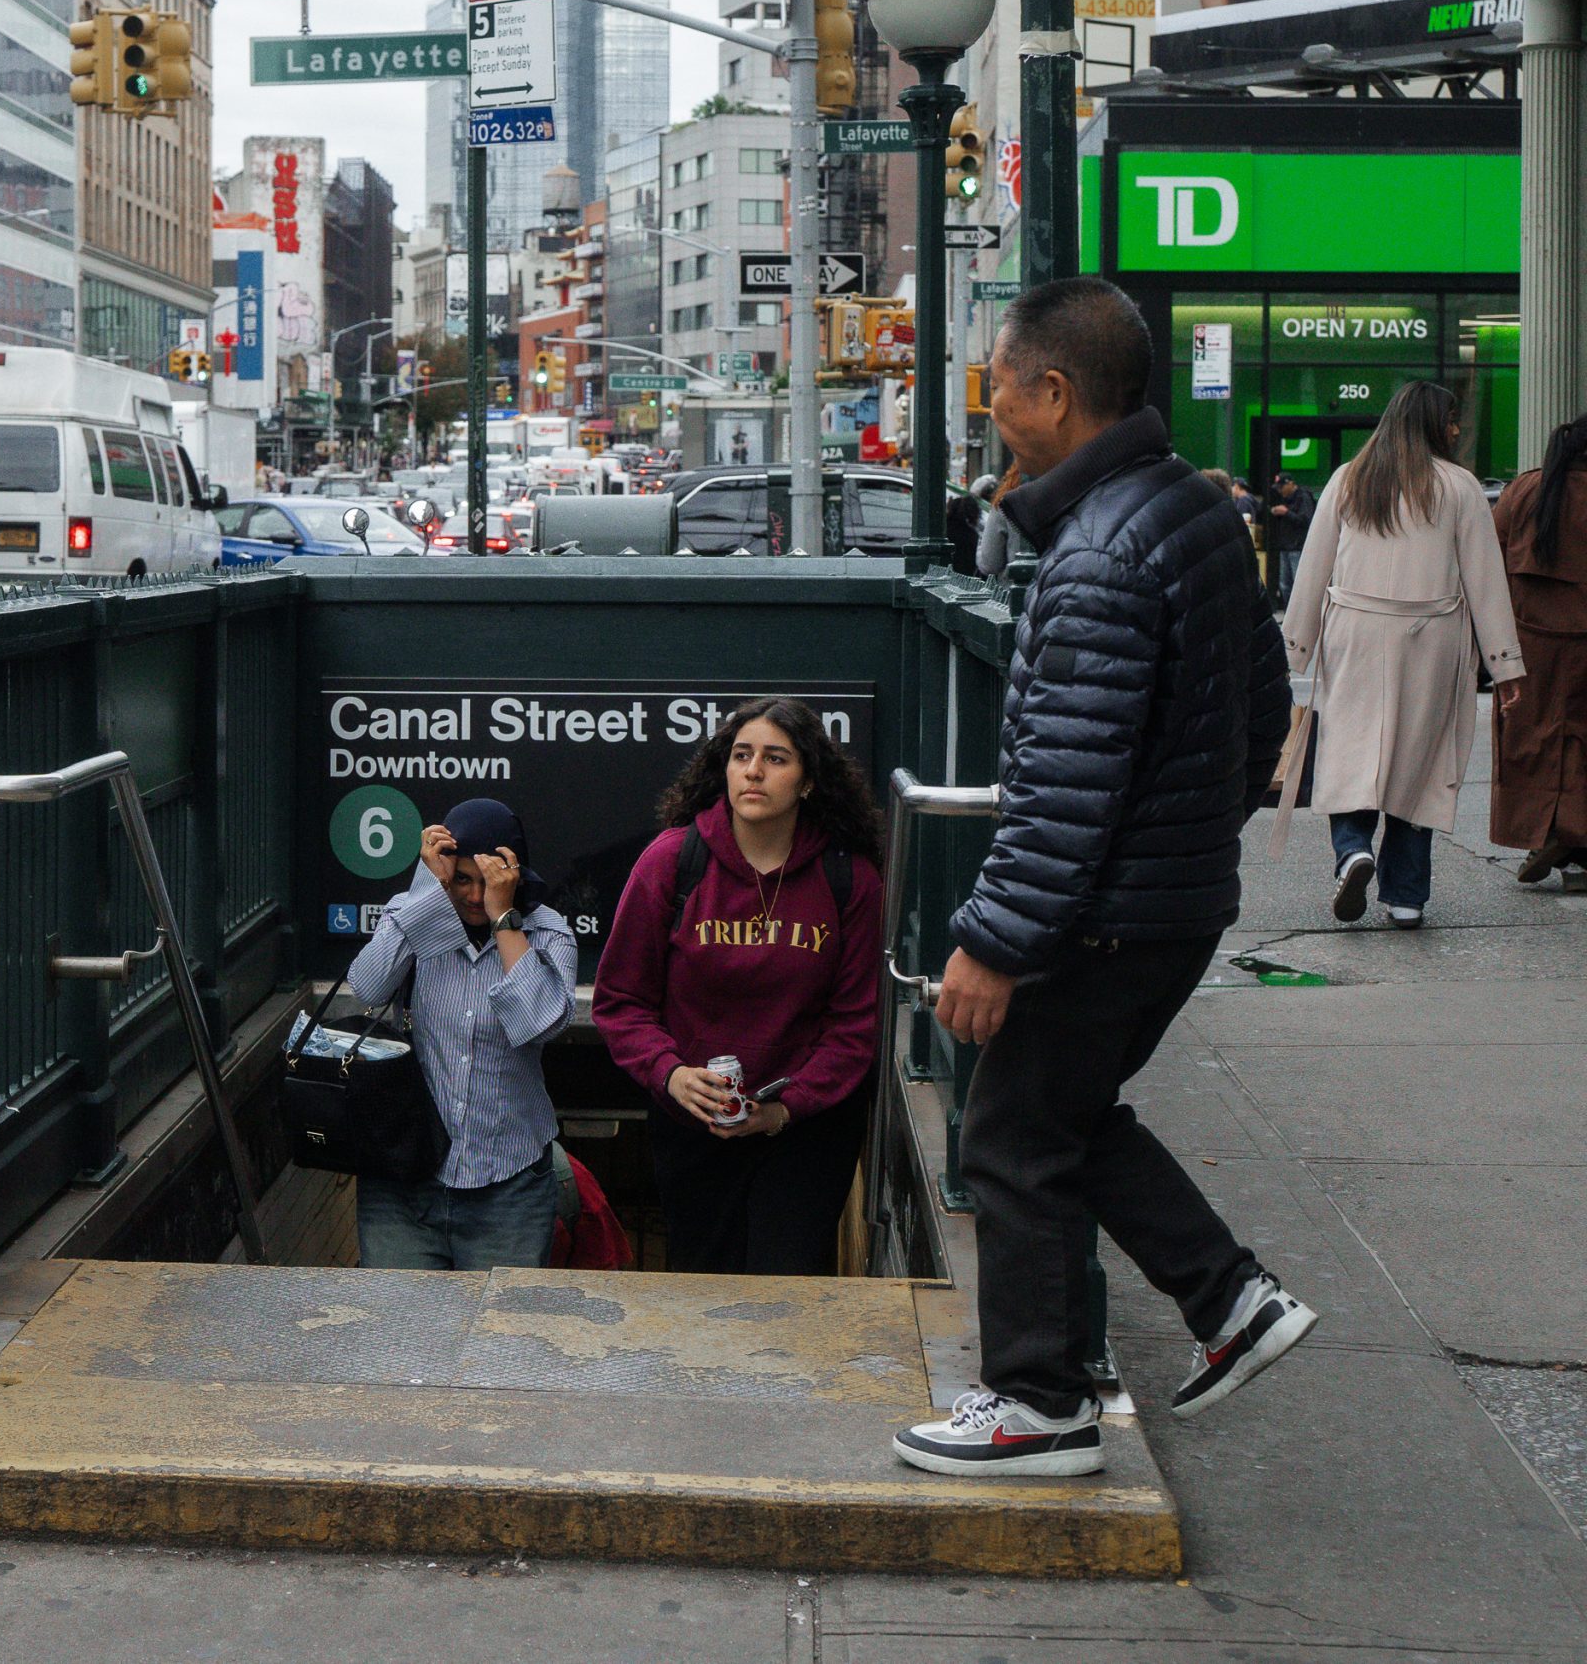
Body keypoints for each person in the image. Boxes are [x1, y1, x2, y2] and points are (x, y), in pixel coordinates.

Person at [893, 277, 1312, 1481]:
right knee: (1064, 1115)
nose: (989, 404)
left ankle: (1037, 1406)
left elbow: (1064, 788)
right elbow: (1261, 713)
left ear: (1055, 391)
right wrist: (1185, 839)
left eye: (998, 381)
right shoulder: (1189, 512)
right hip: (1168, 900)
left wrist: (991, 941)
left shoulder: (1097, 556)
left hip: (1105, 917)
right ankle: (1228, 1300)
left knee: (1012, 1138)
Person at [592, 698, 883, 1275]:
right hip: (695, 1124)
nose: (753, 771)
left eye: (776, 758)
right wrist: (670, 1074)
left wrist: (784, 1109)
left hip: (805, 1128)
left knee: (787, 1293)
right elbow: (620, 1001)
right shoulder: (672, 862)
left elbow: (854, 1027)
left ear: (807, 782)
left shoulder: (850, 878)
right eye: (741, 755)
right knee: (702, 1294)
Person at [1286, 381, 1524, 928]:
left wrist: (1296, 646)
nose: (1458, 429)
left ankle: (1352, 851)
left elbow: (1314, 565)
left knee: (1350, 748)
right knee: (1422, 759)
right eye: (1452, 419)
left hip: (1355, 631)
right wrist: (1505, 664)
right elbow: (1486, 582)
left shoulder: (1350, 479)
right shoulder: (1459, 487)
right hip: (1431, 635)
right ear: (1431, 424)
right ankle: (1406, 894)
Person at [346, 798, 579, 1269]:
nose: (474, 896)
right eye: (461, 881)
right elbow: (367, 986)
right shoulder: (412, 915)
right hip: (404, 1181)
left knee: (502, 1335)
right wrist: (427, 891)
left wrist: (504, 917)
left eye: (486, 881)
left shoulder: (548, 933)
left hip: (508, 1188)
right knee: (399, 1331)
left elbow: (539, 1024)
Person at [1491, 415, 1587, 883]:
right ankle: (1575, 844)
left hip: (1530, 644)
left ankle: (1544, 833)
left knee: (1532, 743)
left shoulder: (1524, 491)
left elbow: (1488, 557)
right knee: (1580, 744)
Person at [1266, 472, 1317, 605]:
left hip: (1298, 547)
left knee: (1298, 584)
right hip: (1285, 546)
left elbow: (1306, 520)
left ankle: (1299, 617)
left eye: (1281, 487)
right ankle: (1289, 614)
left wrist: (1286, 513)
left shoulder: (1303, 497)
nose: (1280, 490)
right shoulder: (1284, 498)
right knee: (1284, 585)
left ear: (1290, 484)